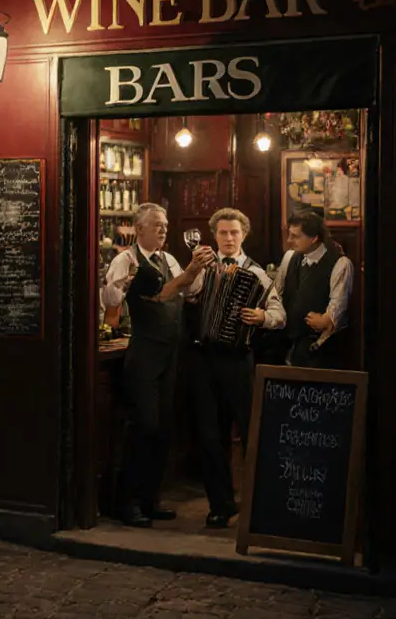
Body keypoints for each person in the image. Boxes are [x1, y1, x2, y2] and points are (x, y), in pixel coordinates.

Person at [102, 202, 214, 528]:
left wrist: (199, 268)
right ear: (139, 229)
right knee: (144, 427)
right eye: (157, 225)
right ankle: (127, 503)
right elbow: (108, 301)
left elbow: (192, 289)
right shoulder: (127, 259)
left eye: (165, 225)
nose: (163, 230)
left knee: (163, 430)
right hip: (145, 352)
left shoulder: (169, 259)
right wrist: (122, 283)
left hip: (171, 353)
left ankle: (150, 499)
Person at [185, 208, 286, 528]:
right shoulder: (202, 267)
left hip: (238, 360)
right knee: (209, 436)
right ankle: (220, 505)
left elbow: (279, 313)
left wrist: (261, 318)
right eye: (223, 233)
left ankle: (262, 504)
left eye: (234, 233)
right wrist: (190, 274)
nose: (229, 239)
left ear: (244, 235)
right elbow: (187, 294)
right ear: (214, 235)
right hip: (203, 359)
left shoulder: (257, 273)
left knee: (249, 429)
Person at [272, 209, 355, 369]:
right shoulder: (290, 257)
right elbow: (277, 292)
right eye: (289, 234)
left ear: (314, 238)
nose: (289, 240)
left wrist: (327, 319)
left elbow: (336, 310)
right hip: (286, 343)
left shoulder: (340, 263)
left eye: (296, 236)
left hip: (319, 352)